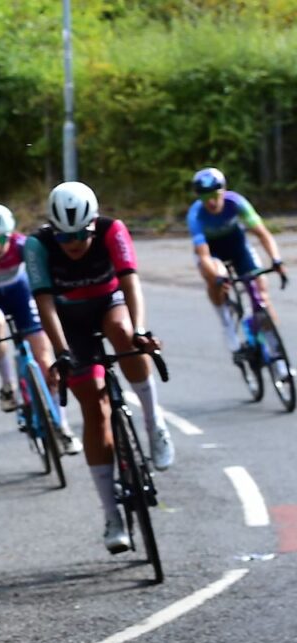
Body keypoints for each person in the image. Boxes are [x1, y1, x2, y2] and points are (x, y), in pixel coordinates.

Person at [25, 182, 172, 553]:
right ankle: (112, 514)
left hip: (110, 305)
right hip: (69, 321)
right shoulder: (37, 246)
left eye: (81, 233)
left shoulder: (112, 230)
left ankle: (155, 424)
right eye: (64, 235)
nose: (73, 242)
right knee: (94, 408)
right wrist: (60, 351)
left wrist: (140, 330)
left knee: (124, 332)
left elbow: (130, 283)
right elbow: (45, 307)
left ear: (93, 223)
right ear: (52, 228)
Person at [0, 204, 78, 459]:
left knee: (46, 362)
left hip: (22, 297)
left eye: (1, 239)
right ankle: (7, 385)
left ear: (10, 235)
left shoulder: (23, 246)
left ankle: (63, 426)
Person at [186, 166, 286, 367]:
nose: (212, 202)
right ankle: (226, 323)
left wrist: (276, 260)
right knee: (215, 276)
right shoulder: (195, 215)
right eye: (205, 198)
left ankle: (278, 357)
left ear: (223, 191)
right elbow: (203, 255)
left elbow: (262, 233)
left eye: (215, 195)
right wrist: (217, 278)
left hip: (238, 248)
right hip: (213, 253)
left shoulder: (236, 202)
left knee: (262, 295)